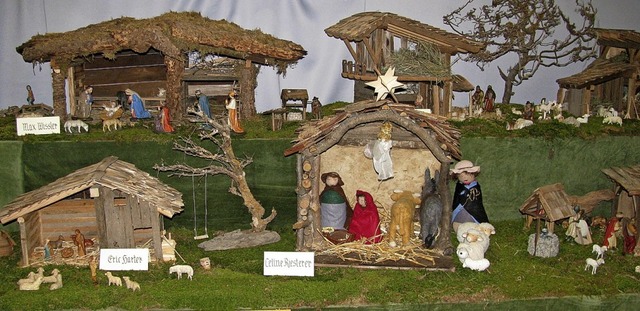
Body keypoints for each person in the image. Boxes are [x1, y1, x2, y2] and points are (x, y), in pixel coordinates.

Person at [451, 160, 488, 233]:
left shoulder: (476, 187)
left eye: (468, 175)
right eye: (461, 176)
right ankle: (460, 230)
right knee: (458, 225)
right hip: (459, 210)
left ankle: (474, 229)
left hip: (473, 212)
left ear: (474, 174)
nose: (464, 178)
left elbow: (476, 201)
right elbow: (457, 198)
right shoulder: (459, 186)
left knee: (474, 225)